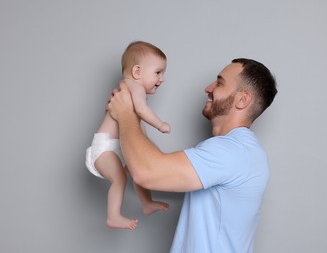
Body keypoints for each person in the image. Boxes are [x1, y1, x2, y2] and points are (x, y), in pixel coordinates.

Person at [108, 58, 277, 252]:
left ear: (242, 99)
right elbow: (152, 162)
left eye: (220, 83)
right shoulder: (241, 151)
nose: (208, 88)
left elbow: (147, 172)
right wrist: (135, 117)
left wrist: (125, 113)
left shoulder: (233, 151)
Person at [85, 41, 170, 229]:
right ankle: (113, 216)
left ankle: (146, 203)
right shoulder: (135, 87)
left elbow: (135, 123)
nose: (162, 79)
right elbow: (141, 110)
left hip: (116, 147)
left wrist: (145, 141)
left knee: (136, 169)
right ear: (137, 72)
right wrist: (160, 124)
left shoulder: (128, 88)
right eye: (158, 72)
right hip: (105, 148)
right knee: (120, 178)